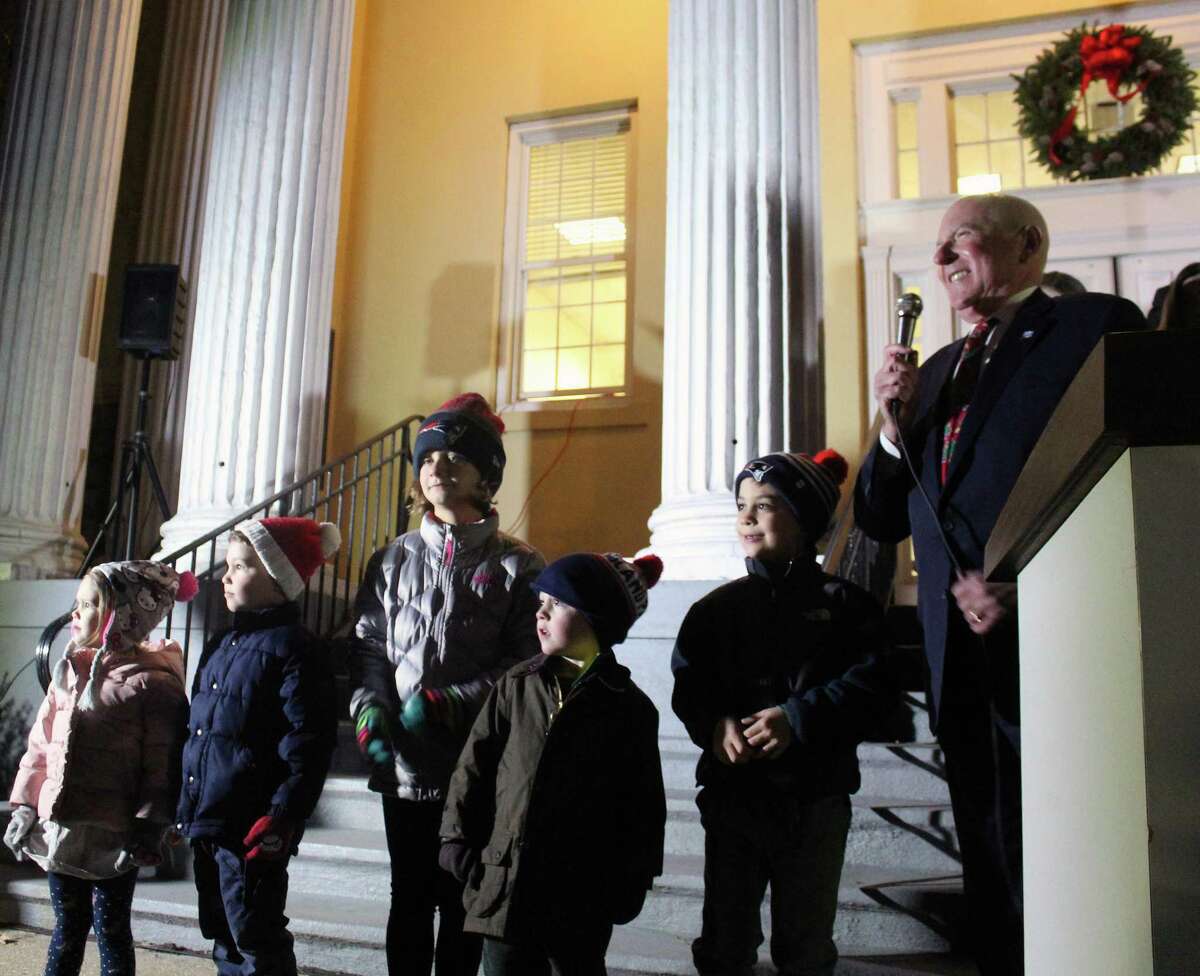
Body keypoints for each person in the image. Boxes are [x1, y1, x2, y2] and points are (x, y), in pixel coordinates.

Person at [854, 193, 1146, 975]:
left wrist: (1042, 575)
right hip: (959, 651)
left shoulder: (1090, 326)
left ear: (1027, 247)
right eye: (936, 248)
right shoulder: (940, 370)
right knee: (985, 837)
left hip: (1056, 630)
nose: (943, 258)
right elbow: (880, 515)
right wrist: (890, 427)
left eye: (962, 240)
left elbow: (1116, 459)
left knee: (1067, 836)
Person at [672, 449, 898, 976]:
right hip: (735, 799)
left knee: (804, 943)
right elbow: (691, 684)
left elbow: (870, 686)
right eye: (742, 505)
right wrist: (715, 725)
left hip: (813, 801)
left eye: (766, 504)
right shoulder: (714, 612)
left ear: (805, 519)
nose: (747, 517)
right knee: (726, 939)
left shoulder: (849, 608)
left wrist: (798, 718)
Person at [348, 393, 545, 976]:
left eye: (456, 455)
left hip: (474, 763)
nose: (437, 466)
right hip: (404, 769)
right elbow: (368, 648)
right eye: (428, 456)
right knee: (406, 896)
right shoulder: (391, 559)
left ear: (488, 474)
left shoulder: (519, 566)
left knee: (461, 899)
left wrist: (446, 703)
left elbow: (525, 660)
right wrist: (370, 712)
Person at [439, 550, 667, 976]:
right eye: (541, 600)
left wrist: (633, 879)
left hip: (581, 894)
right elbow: (475, 765)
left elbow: (643, 805)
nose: (540, 612)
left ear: (598, 617)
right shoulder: (517, 684)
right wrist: (456, 841)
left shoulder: (629, 708)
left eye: (557, 603)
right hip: (506, 884)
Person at [6, 561, 194, 976]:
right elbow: (41, 744)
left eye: (88, 604)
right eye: (77, 603)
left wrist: (150, 825)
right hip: (65, 827)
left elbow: (161, 763)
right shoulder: (69, 670)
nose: (75, 613)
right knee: (68, 927)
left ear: (121, 616)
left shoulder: (153, 683)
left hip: (115, 834)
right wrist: (24, 804)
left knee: (110, 928)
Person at [175, 516, 340, 976]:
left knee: (255, 933)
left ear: (277, 577)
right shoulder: (221, 643)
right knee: (222, 930)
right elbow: (202, 730)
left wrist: (283, 814)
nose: (225, 577)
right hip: (210, 817)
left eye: (241, 566)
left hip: (251, 827)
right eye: (227, 565)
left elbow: (308, 741)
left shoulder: (296, 649)